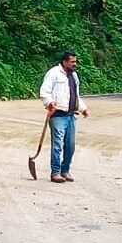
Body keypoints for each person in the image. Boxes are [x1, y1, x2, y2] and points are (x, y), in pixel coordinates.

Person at [39, 51, 89, 183]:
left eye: (75, 62)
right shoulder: (54, 73)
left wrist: (83, 108)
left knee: (70, 145)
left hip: (71, 115)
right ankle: (55, 172)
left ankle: (65, 170)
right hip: (58, 115)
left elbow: (75, 95)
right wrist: (49, 102)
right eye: (72, 62)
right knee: (57, 144)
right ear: (65, 62)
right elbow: (44, 91)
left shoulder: (74, 76)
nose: (75, 64)